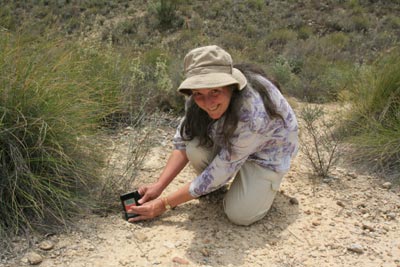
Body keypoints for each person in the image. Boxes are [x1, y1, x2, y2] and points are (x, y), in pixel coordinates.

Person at [128, 45, 298, 226]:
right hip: (233, 146)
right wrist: (159, 186)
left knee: (240, 214)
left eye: (215, 91)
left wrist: (164, 204)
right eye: (199, 93)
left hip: (266, 154)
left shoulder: (252, 112)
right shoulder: (196, 98)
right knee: (194, 148)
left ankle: (263, 187)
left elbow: (221, 170)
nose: (207, 103)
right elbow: (182, 142)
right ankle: (214, 189)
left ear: (231, 86)